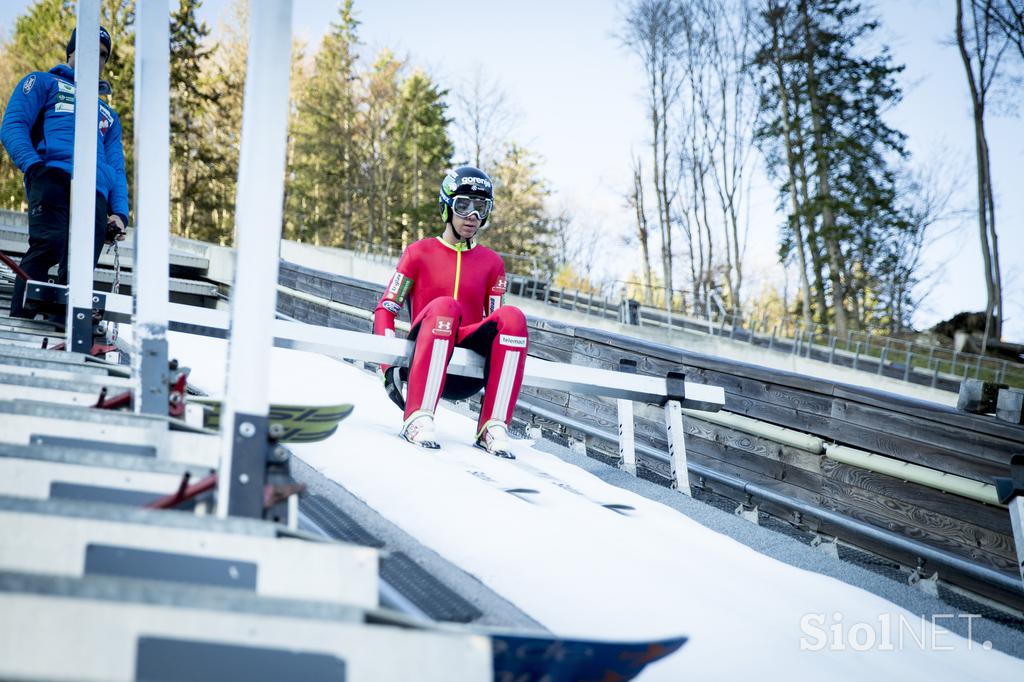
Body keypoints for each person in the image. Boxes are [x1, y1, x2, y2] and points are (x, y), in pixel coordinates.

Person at [373, 166, 529, 458]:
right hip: (424, 351)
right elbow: (386, 308)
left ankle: (493, 426)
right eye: (463, 205)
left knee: (513, 317)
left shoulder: (492, 263)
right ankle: (417, 417)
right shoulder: (418, 253)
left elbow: (497, 321)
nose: (472, 216)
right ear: (446, 206)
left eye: (481, 207)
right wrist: (387, 365)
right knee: (446, 306)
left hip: (464, 370)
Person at [1, 26, 129, 321]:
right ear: (71, 52)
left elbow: (116, 166)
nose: (95, 59)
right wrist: (34, 166)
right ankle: (21, 319)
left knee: (82, 264)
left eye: (102, 55)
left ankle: (64, 325)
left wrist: (119, 212)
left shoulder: (107, 113)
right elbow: (13, 125)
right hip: (53, 174)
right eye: (88, 50)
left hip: (96, 190)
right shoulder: (43, 82)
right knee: (49, 244)